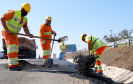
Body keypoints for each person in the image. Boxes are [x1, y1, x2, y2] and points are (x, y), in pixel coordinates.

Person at [1, 3, 33, 71]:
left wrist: (29, 34)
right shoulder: (13, 13)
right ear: (22, 9)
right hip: (6, 32)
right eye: (25, 11)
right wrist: (7, 30)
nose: (26, 12)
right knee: (12, 46)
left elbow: (25, 29)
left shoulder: (24, 19)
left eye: (27, 12)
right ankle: (12, 66)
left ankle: (15, 65)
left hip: (14, 34)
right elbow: (2, 19)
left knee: (15, 48)